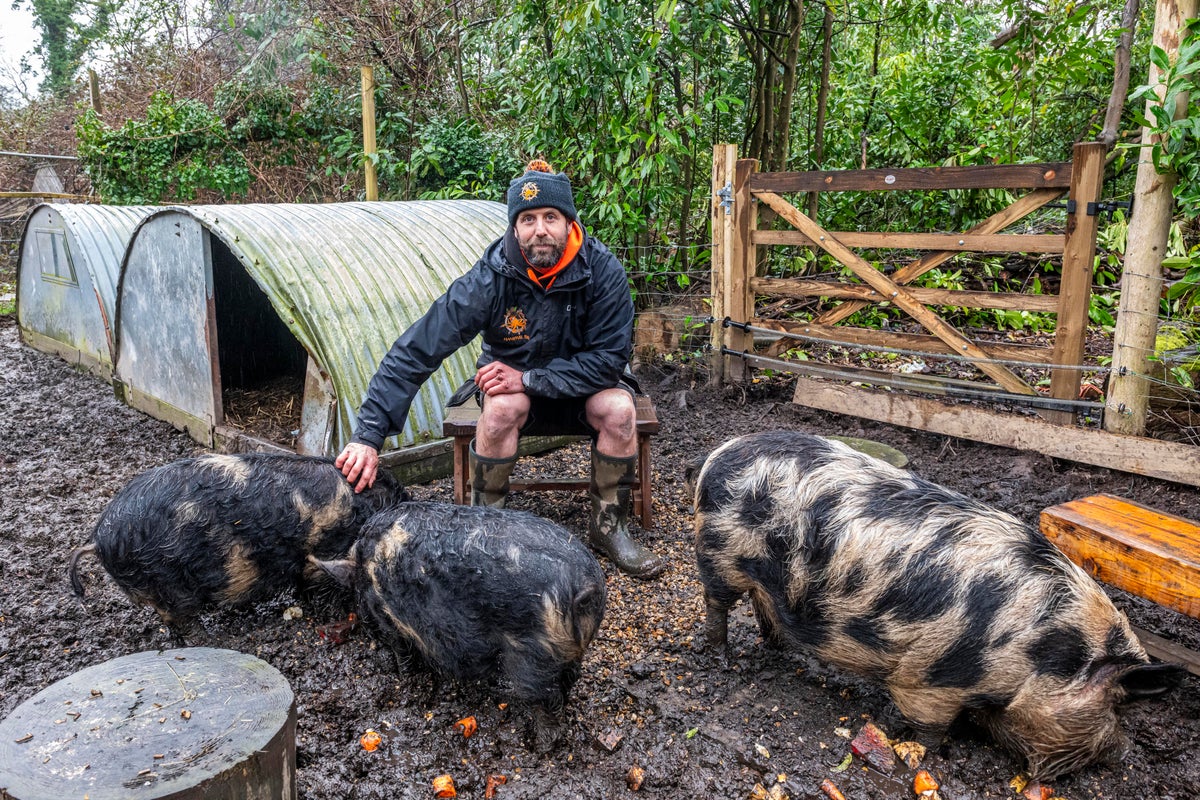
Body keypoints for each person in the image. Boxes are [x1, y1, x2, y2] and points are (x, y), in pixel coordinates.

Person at [336, 159, 664, 579]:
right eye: (527, 219)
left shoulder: (602, 272)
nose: (539, 229)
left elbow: (607, 362)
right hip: (517, 398)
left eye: (550, 217)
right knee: (500, 408)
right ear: (514, 227)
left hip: (585, 390)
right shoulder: (490, 278)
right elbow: (418, 347)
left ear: (569, 223)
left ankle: (608, 527)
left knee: (620, 409)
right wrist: (368, 435)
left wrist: (527, 377)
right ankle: (484, 530)